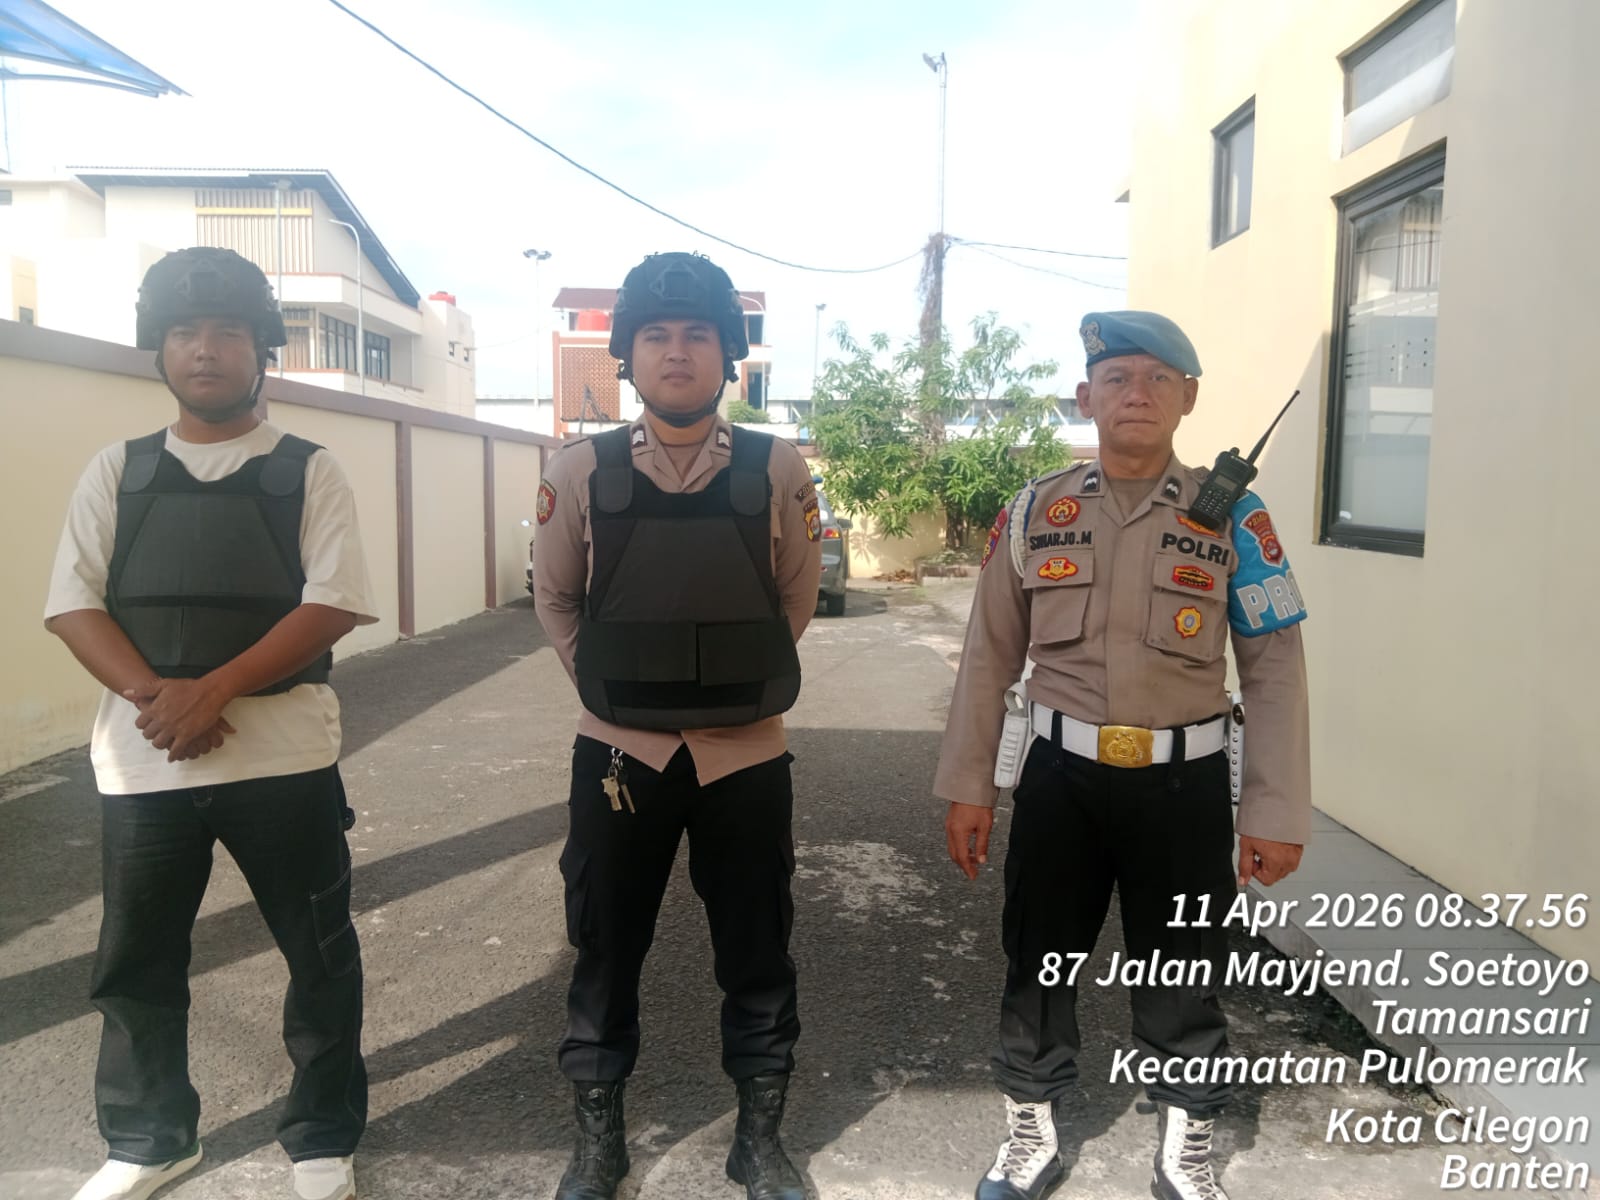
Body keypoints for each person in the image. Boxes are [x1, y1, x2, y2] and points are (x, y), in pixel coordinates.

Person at [934, 311, 1311, 1200]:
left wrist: (1274, 810)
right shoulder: (1036, 509)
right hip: (1059, 779)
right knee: (1039, 961)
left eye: (1157, 379)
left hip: (1184, 785)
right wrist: (970, 786)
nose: (1136, 393)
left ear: (1188, 398)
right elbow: (988, 657)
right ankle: (1029, 1131)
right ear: (1086, 397)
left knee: (1184, 970)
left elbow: (1275, 669)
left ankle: (1186, 1144)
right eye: (1116, 378)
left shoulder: (1235, 518)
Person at [45, 247, 377, 1200]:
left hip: (284, 759)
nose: (205, 349)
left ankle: (321, 1135)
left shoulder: (308, 470)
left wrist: (215, 689)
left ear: (262, 348)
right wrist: (165, 701)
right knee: (136, 963)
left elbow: (334, 602)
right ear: (158, 349)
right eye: (185, 332)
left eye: (228, 331)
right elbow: (73, 604)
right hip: (144, 764)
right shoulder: (120, 471)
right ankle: (150, 1140)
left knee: (318, 956)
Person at [532, 251, 824, 1200]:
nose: (677, 351)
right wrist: (617, 692)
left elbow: (794, 597)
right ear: (627, 356)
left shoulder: (777, 468)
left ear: (727, 354)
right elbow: (556, 598)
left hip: (747, 756)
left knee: (757, 949)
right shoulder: (580, 469)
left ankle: (759, 1144)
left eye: (698, 334)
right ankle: (599, 1146)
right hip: (619, 754)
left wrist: (730, 684)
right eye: (655, 335)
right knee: (605, 946)